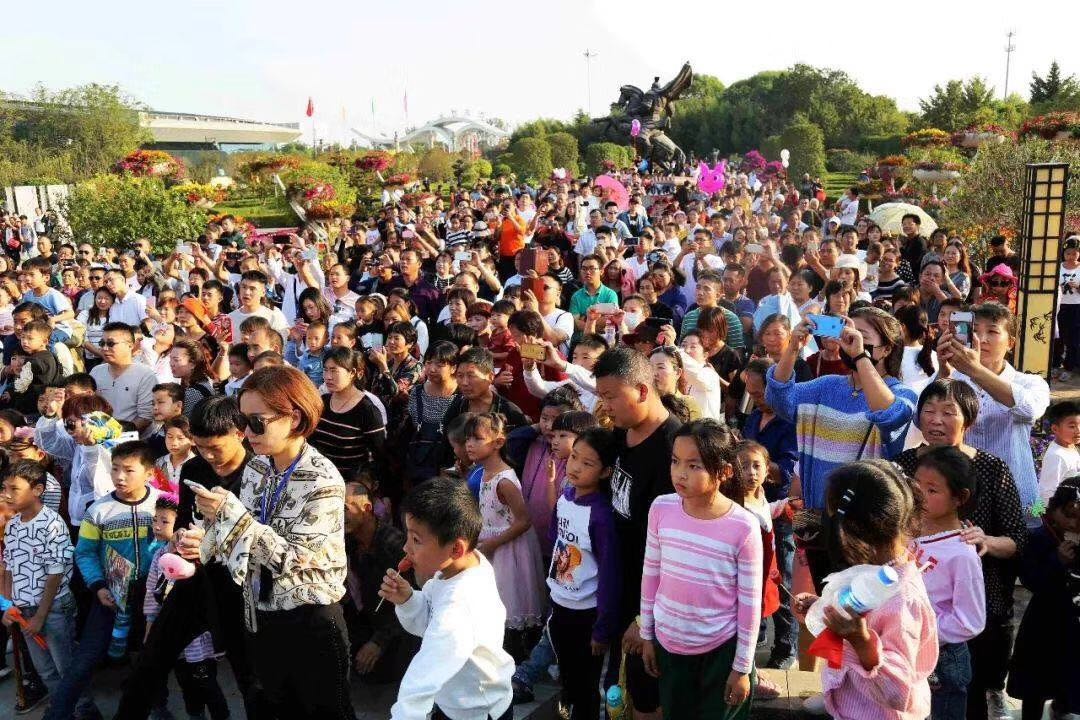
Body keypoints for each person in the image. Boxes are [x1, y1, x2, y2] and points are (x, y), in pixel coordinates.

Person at [179, 366, 355, 719]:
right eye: (243, 421)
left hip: (311, 620)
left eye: (256, 422)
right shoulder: (258, 468)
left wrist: (231, 517)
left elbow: (292, 559)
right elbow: (241, 544)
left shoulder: (323, 479)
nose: (246, 432)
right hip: (259, 615)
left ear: (294, 418)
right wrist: (207, 538)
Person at [894, 379, 1026, 720]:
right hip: (910, 606)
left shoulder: (992, 469)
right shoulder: (901, 466)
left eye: (948, 412)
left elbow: (1018, 538)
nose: (936, 420)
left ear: (969, 420)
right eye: (929, 410)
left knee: (963, 699)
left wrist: (987, 541)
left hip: (972, 606)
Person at [766, 307, 916, 585]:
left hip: (866, 524)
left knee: (860, 603)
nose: (851, 340)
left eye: (862, 336)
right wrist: (793, 348)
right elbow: (779, 398)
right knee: (818, 601)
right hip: (815, 518)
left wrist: (860, 356)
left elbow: (889, 414)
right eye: (848, 332)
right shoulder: (826, 386)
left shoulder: (901, 392)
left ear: (886, 349)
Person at [793, 460, 938, 720]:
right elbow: (863, 608)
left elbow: (899, 692)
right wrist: (824, 606)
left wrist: (862, 642)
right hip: (854, 700)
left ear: (852, 532)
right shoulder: (876, 569)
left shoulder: (903, 599)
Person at [638, 420, 761, 719]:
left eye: (694, 465)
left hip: (721, 652)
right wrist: (647, 634)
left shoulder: (743, 526)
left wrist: (742, 668)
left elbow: (749, 603)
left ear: (724, 472)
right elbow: (650, 575)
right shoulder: (661, 508)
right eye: (675, 461)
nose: (680, 473)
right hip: (669, 645)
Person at [376, 477, 514, 719]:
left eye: (416, 540)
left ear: (456, 549)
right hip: (457, 699)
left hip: (476, 710)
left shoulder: (460, 605)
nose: (406, 548)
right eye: (408, 536)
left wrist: (405, 714)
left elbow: (426, 672)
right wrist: (409, 601)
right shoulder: (461, 565)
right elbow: (433, 617)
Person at [43, 441, 161, 720]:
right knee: (84, 661)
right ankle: (58, 713)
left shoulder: (162, 504)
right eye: (115, 469)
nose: (120, 477)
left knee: (151, 658)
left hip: (152, 596)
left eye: (129, 470)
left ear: (149, 473)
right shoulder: (98, 510)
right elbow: (84, 553)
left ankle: (156, 709)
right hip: (110, 594)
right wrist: (98, 586)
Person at [594, 346, 681, 720]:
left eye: (611, 396)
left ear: (643, 390)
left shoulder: (674, 451)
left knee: (649, 698)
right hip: (620, 585)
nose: (606, 406)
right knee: (624, 691)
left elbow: (676, 548)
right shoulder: (622, 434)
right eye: (601, 397)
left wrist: (646, 618)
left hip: (650, 604)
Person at [936, 302, 1050, 521]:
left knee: (1028, 536)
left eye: (992, 331)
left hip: (1018, 493)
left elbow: (1029, 410)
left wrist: (975, 370)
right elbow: (923, 422)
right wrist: (943, 370)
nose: (981, 339)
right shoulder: (952, 379)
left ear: (1011, 343)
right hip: (963, 495)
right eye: (974, 330)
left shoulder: (1030, 382)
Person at [911, 447, 986, 720]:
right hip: (910, 649)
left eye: (932, 490)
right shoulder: (909, 531)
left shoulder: (962, 554)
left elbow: (970, 621)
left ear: (959, 497)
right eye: (915, 484)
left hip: (942, 660)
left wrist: (920, 630)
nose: (919, 495)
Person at [464, 413, 545, 657]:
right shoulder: (483, 473)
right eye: (468, 438)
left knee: (509, 600)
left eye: (477, 439)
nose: (469, 444)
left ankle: (516, 656)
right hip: (491, 544)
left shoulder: (504, 481)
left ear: (498, 443)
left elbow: (524, 521)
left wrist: (493, 543)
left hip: (509, 549)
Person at [142, 493, 229, 720]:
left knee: (207, 683)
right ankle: (195, 715)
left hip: (199, 639)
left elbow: (210, 599)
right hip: (173, 635)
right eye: (155, 519)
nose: (157, 526)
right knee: (185, 682)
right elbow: (152, 593)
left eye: (165, 521)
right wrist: (150, 627)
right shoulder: (159, 556)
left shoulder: (200, 556)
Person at [0, 460, 75, 701]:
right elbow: (8, 568)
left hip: (52, 609)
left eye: (14, 489)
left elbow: (55, 574)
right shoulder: (12, 525)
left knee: (66, 668)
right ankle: (60, 709)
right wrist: (7, 605)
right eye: (4, 488)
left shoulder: (52, 524)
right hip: (24, 610)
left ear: (38, 490)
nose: (7, 495)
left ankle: (82, 710)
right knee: (44, 669)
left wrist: (40, 616)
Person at [1006, 477, 1080, 720]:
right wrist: (1056, 561)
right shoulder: (1040, 537)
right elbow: (1029, 578)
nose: (1074, 523)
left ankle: (1062, 707)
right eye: (1069, 515)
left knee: (1068, 674)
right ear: (1054, 507)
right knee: (1035, 681)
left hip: (1073, 624)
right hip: (1044, 623)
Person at [340, 480, 417, 683]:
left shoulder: (394, 544)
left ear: (366, 509)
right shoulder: (348, 543)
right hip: (367, 624)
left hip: (398, 631)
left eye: (345, 508)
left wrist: (378, 642)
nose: (339, 515)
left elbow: (411, 601)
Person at [309, 347, 387, 481]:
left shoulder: (367, 410)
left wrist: (365, 484)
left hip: (348, 482)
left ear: (352, 373)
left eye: (334, 371)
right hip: (317, 478)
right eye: (325, 370)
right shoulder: (322, 402)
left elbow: (380, 456)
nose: (328, 377)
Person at [88, 322, 158, 432]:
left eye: (111, 343)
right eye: (102, 343)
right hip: (99, 436)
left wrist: (116, 434)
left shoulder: (145, 375)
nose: (105, 348)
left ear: (130, 345)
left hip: (132, 439)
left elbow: (145, 418)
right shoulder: (96, 372)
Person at [1037, 400, 1080, 504]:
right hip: (1059, 511)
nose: (1078, 430)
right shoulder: (1056, 456)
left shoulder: (1070, 446)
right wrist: (1040, 513)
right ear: (1055, 429)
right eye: (1072, 426)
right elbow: (1046, 493)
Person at [1056, 236, 1080, 381]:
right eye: (1068, 253)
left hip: (1076, 307)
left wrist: (1078, 287)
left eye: (1074, 253)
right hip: (1060, 305)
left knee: (1073, 338)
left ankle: (1069, 367)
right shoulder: (1058, 267)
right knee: (1059, 336)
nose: (1071, 256)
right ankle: (1055, 364)